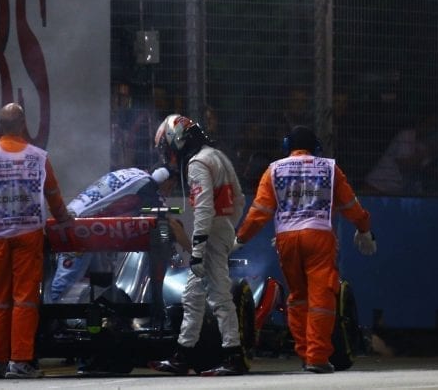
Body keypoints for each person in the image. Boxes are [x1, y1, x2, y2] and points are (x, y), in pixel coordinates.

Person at [234, 125, 376, 374]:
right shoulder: (330, 168)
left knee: (298, 296)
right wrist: (364, 229)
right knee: (321, 297)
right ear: (316, 148)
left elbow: (260, 211)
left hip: (286, 240)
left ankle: (304, 353)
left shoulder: (274, 169)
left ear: (288, 146)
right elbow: (351, 205)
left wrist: (241, 238)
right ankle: (317, 357)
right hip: (319, 236)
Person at [0, 102, 74, 379]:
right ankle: (20, 361)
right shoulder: (37, 158)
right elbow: (52, 194)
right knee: (25, 300)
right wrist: (65, 218)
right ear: (22, 125)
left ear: (0, 126)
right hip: (29, 235)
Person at [148, 114, 248, 376]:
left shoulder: (197, 164)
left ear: (176, 140)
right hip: (221, 229)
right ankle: (183, 355)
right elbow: (239, 199)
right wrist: (228, 228)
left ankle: (233, 355)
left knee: (219, 297)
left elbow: (204, 209)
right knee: (192, 296)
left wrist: (199, 248)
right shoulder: (217, 156)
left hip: (210, 234)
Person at [48, 166, 189, 304]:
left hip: (88, 228)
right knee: (64, 284)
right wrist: (195, 254)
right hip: (78, 227)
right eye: (170, 187)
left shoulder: (134, 175)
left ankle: (90, 320)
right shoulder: (146, 185)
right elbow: (171, 224)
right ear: (163, 178)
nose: (169, 193)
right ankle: (50, 322)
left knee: (103, 282)